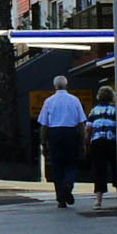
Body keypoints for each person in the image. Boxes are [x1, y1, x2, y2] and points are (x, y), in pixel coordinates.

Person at [37, 75, 87, 208]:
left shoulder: (49, 101)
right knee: (71, 163)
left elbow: (44, 124)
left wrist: (43, 142)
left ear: (55, 86)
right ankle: (68, 184)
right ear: (66, 85)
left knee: (57, 165)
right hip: (71, 133)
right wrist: (83, 141)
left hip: (55, 134)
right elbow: (81, 123)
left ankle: (60, 198)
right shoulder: (74, 100)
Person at [85, 84, 117, 211]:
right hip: (112, 141)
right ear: (112, 97)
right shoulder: (116, 109)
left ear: (99, 97)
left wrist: (87, 142)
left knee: (99, 170)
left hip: (97, 142)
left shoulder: (94, 110)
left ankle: (98, 201)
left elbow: (88, 128)